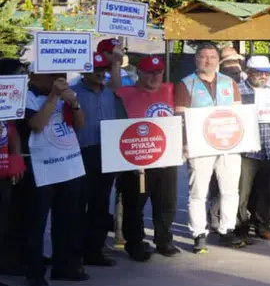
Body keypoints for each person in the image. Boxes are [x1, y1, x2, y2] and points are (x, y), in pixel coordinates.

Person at [175, 42, 245, 253]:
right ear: (196, 59)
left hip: (228, 144)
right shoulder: (186, 84)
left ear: (218, 60)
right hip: (199, 146)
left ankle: (227, 230)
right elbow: (180, 116)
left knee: (230, 190)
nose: (208, 61)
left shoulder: (229, 83)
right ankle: (198, 233)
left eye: (213, 57)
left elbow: (238, 114)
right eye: (204, 57)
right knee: (198, 192)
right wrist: (185, 144)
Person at [21, 69, 86, 286]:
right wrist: (54, 97)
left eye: (62, 77)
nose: (60, 81)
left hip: (67, 162)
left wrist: (74, 104)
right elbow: (37, 124)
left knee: (67, 218)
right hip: (41, 166)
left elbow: (79, 124)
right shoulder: (27, 95)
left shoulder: (66, 95)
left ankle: (64, 265)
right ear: (38, 76)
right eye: (54, 77)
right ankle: (34, 271)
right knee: (37, 222)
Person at [111, 53, 180, 259]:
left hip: (166, 156)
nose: (155, 77)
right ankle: (135, 242)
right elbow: (114, 88)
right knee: (134, 203)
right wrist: (115, 62)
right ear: (138, 72)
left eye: (158, 72)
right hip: (136, 158)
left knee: (166, 201)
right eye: (150, 73)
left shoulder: (170, 90)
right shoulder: (126, 93)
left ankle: (164, 240)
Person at [71, 51, 123, 267]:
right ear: (85, 71)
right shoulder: (73, 93)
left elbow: (116, 79)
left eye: (103, 70)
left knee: (100, 204)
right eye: (96, 70)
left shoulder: (110, 93)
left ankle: (95, 251)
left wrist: (116, 62)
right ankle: (74, 253)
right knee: (77, 204)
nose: (101, 74)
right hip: (81, 152)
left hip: (106, 152)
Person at [236, 55, 270, 242]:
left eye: (267, 73)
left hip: (269, 147)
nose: (264, 76)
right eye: (259, 72)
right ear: (248, 72)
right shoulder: (237, 90)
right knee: (242, 192)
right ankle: (241, 228)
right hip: (246, 149)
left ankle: (263, 226)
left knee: (266, 192)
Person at [0, 57, 26, 286]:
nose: (24, 79)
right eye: (19, 74)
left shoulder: (10, 99)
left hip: (4, 170)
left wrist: (16, 156)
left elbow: (11, 127)